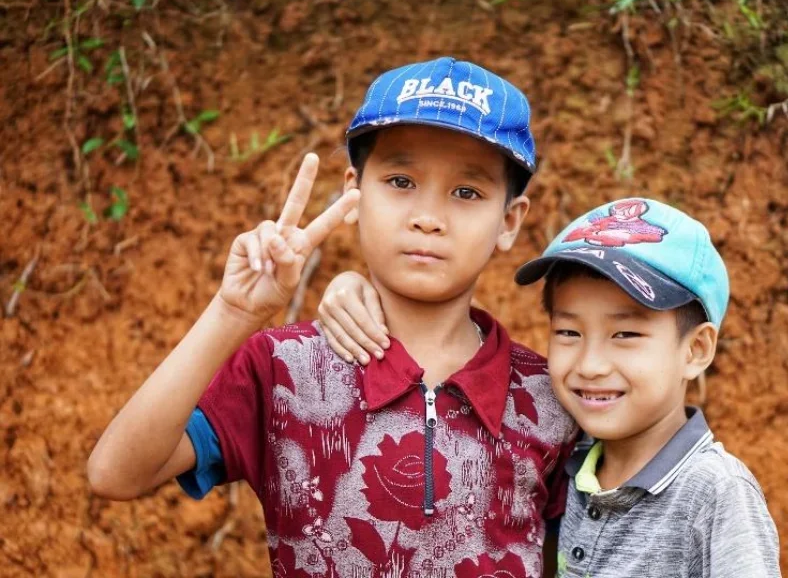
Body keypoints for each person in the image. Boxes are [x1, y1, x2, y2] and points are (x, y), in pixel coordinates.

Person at [88, 57, 577, 577]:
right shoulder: (284, 370)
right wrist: (233, 311)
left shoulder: (547, 397)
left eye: (466, 192)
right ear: (354, 193)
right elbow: (116, 473)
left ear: (508, 221)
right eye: (400, 180)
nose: (428, 218)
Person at [318, 197, 782, 577]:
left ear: (696, 350)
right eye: (568, 333)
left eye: (626, 335)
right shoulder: (566, 454)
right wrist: (352, 286)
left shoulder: (716, 493)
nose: (591, 364)